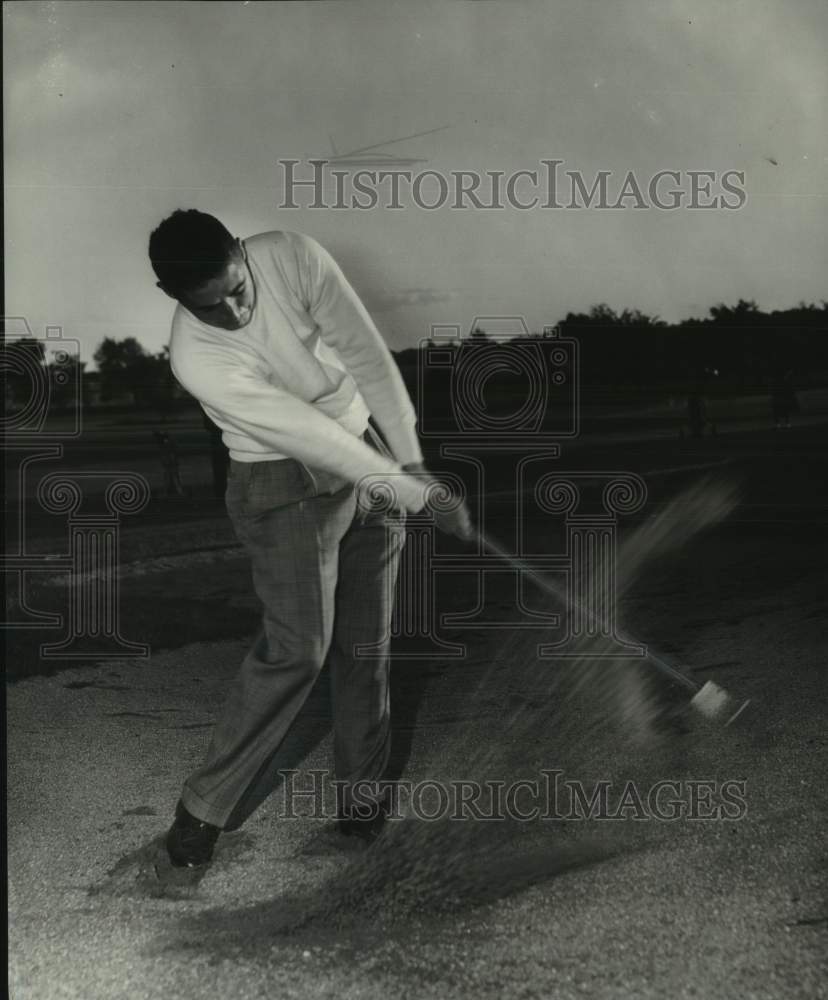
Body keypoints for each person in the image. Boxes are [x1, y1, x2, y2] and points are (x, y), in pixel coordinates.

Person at [148, 210, 473, 868]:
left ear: (243, 251)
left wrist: (409, 461)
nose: (235, 313)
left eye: (239, 290)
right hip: (280, 482)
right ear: (178, 301)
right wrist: (413, 494)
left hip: (368, 449)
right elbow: (309, 437)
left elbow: (366, 357)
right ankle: (201, 814)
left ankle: (361, 812)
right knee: (299, 650)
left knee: (366, 645)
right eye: (211, 307)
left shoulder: (292, 256)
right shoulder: (196, 356)